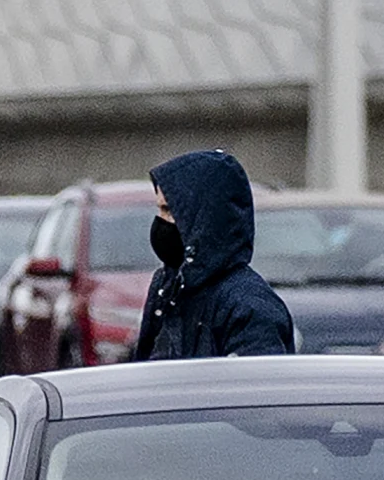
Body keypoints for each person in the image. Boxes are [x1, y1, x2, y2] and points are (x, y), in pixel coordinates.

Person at [127, 148, 296, 361]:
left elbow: (258, 389)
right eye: (159, 209)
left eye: (169, 211)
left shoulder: (248, 306)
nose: (160, 221)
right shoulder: (168, 286)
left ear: (203, 218)